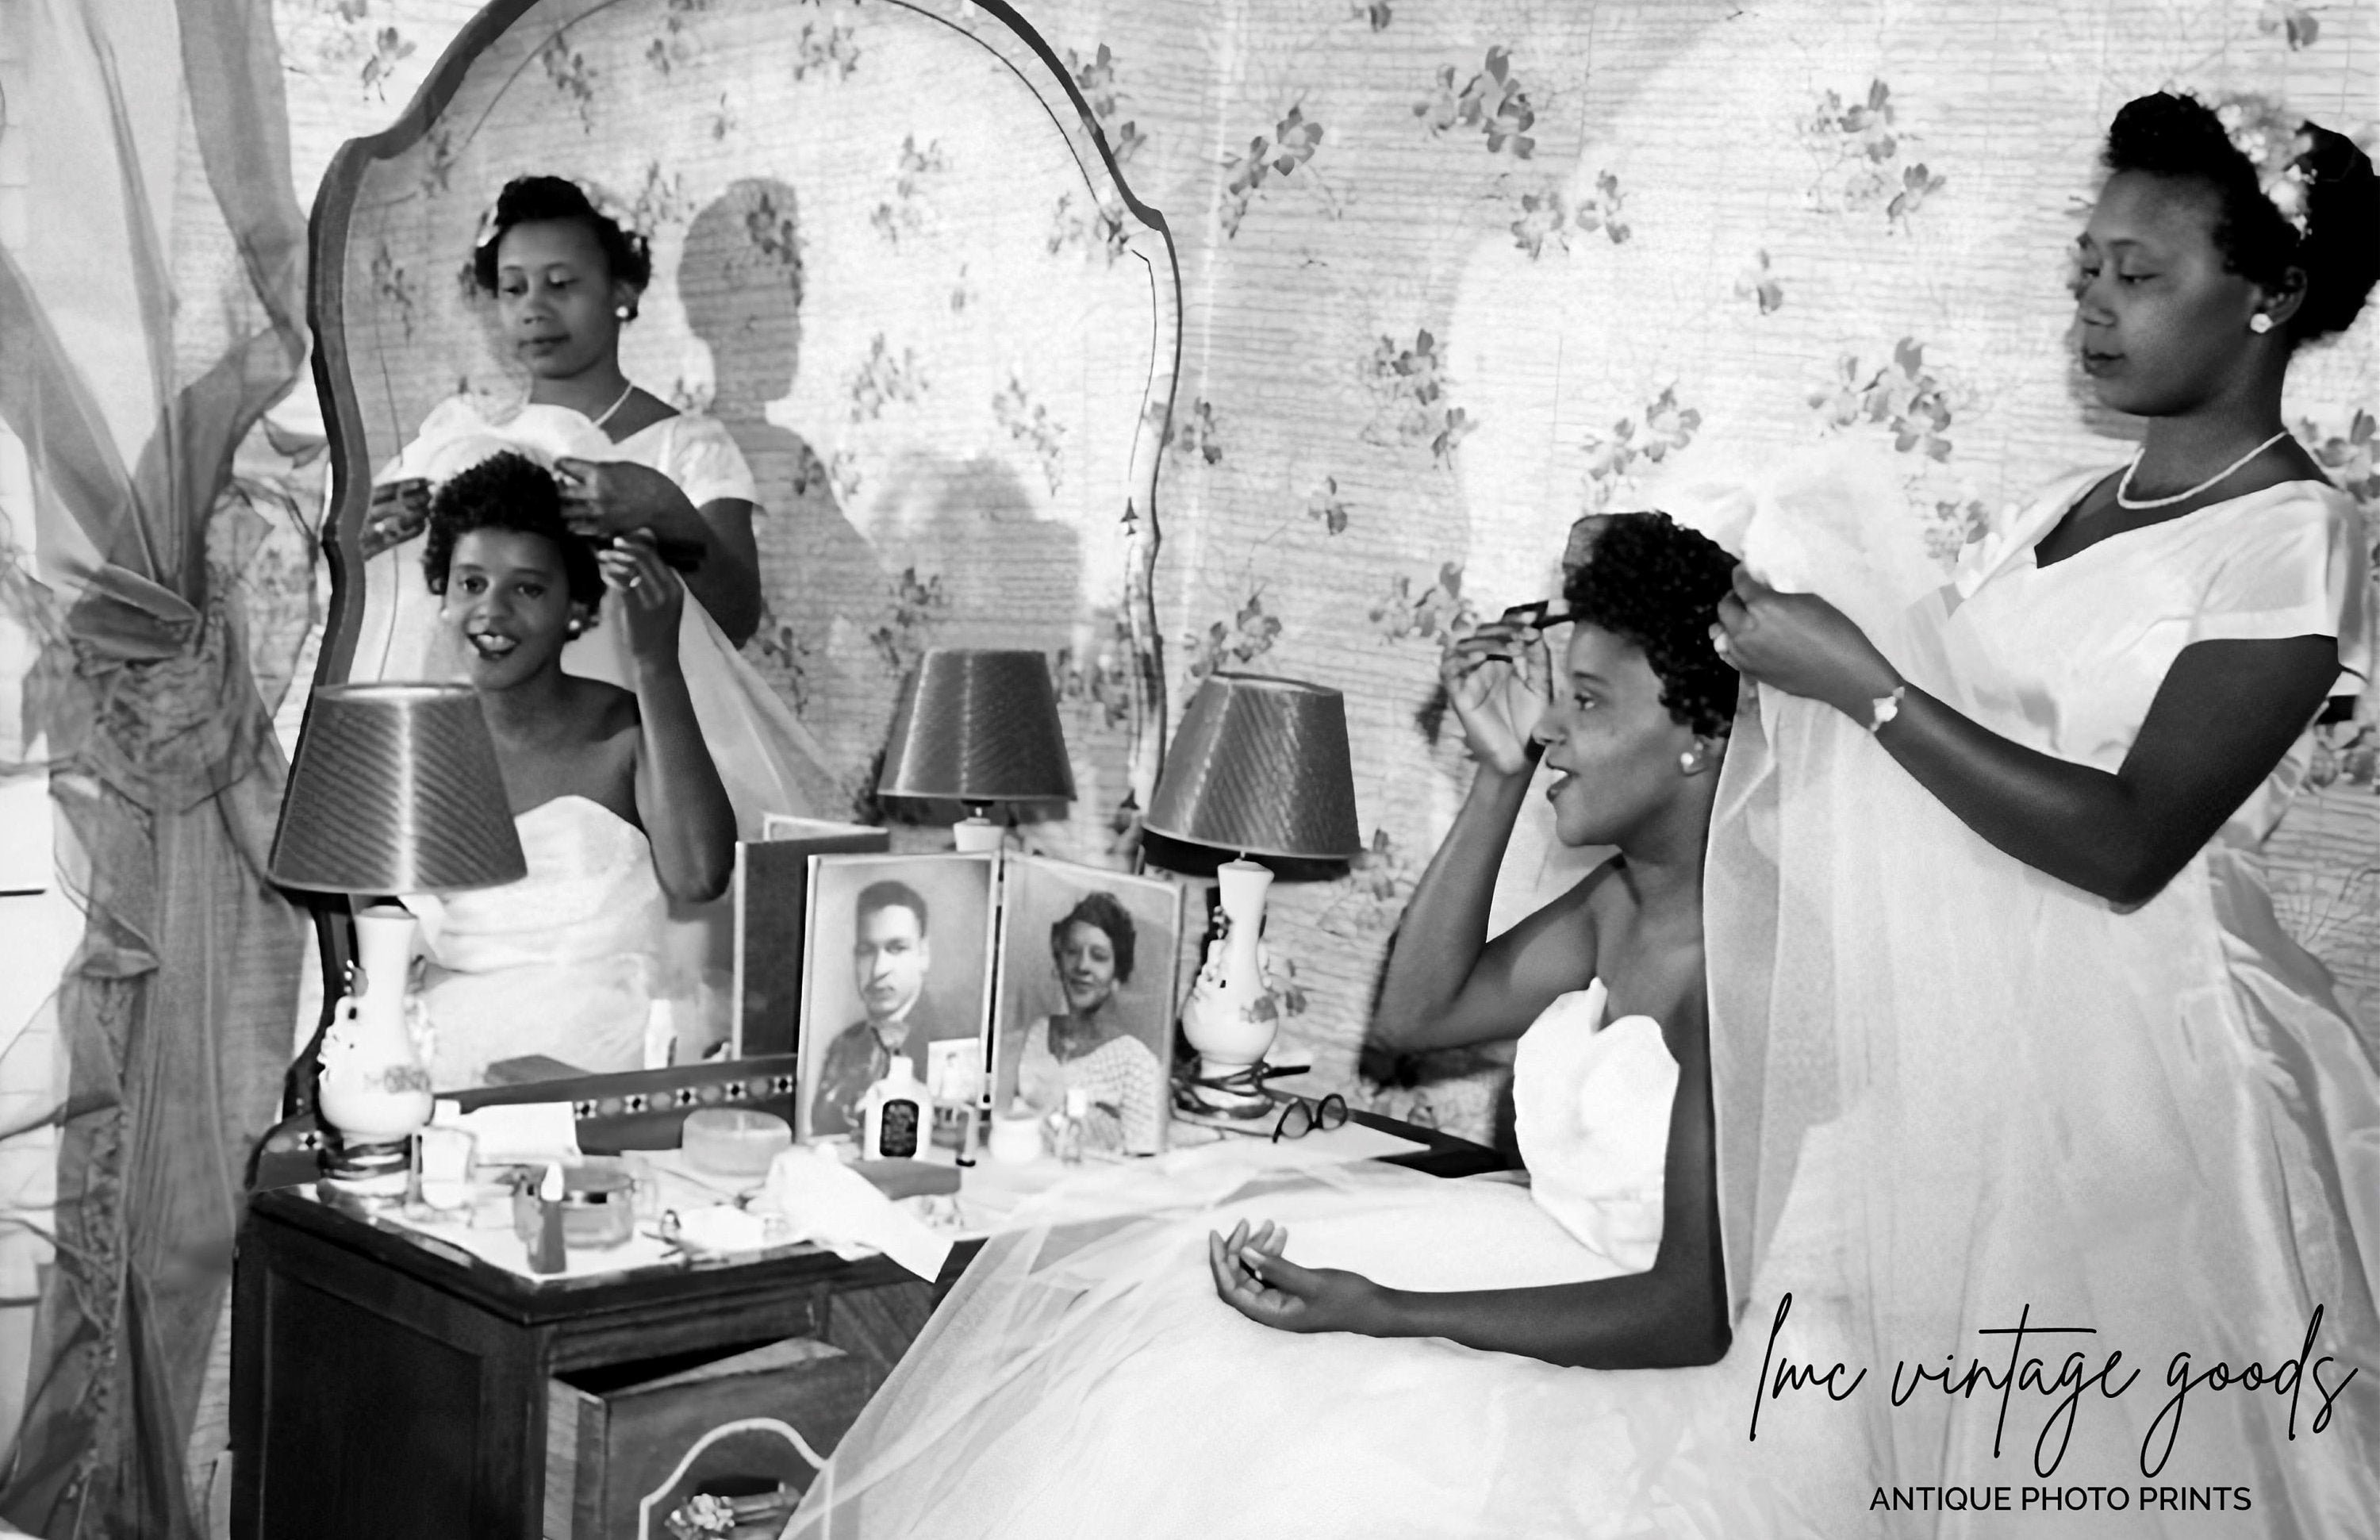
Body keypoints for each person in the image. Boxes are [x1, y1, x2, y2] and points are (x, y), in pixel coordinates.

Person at [788, 513, 1754, 1536]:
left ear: (1701, 735)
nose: (1552, 725)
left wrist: (1389, 1312)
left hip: (1652, 1362)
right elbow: (1418, 1015)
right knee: (1180, 1355)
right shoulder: (1621, 901)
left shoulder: (1738, 963)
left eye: (1588, 701)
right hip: (1541, 1259)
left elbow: (1691, 1313)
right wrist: (1498, 777)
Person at [1698, 90, 2380, 1517]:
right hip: (1978, 1038)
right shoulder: (2055, 511)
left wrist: (1868, 684)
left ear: (2272, 296)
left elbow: (2130, 843)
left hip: (2154, 1066)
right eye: (2087, 269)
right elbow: (1927, 755)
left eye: (2140, 274)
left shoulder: (2294, 537)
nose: (2095, 305)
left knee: (2105, 1464)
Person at [354, 174, 841, 834]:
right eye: (513, 288)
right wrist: (366, 546)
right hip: (493, 757)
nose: (534, 307)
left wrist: (663, 509)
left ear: (622, 291)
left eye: (561, 284)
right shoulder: (457, 440)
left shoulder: (684, 446)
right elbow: (418, 622)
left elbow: (736, 616)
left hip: (644, 755)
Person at [402, 450, 735, 1089]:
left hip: (597, 1070)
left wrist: (656, 662)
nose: (492, 611)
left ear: (577, 607)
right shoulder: (414, 745)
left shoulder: (627, 729)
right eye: (471, 583)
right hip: (441, 1066)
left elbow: (700, 875)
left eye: (527, 588)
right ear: (443, 595)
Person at [1013, 893, 1164, 1156]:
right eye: (1072, 952)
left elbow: (1145, 1163)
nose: (1082, 966)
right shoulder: (1039, 1032)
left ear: (1118, 974)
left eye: (1099, 956)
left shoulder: (1136, 1063)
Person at [809, 880, 950, 1136]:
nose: (878, 969)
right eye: (866, 951)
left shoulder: (950, 1040)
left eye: (897, 949)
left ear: (923, 954)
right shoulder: (844, 1045)